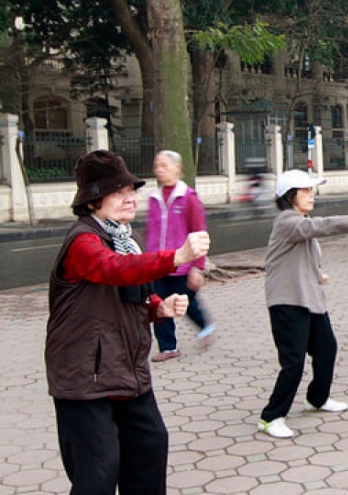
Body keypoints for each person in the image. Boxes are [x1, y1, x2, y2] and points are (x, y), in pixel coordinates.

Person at [46, 150, 210, 495]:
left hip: (126, 371)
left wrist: (159, 308)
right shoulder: (83, 241)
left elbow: (134, 294)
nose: (130, 198)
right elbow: (113, 270)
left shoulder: (126, 240)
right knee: (99, 472)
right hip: (85, 378)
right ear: (92, 201)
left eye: (131, 191)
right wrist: (177, 257)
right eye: (117, 192)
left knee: (150, 446)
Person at [259, 170, 348, 439]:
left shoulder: (300, 221)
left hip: (309, 298)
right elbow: (319, 226)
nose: (311, 195)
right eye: (305, 191)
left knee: (326, 348)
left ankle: (317, 399)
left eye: (311, 190)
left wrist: (318, 274)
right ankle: (271, 417)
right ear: (289, 196)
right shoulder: (287, 221)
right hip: (287, 301)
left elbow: (302, 256)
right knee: (293, 362)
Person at [146, 150, 215, 362]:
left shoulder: (188, 198)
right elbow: (151, 232)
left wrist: (197, 266)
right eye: (157, 166)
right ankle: (168, 347)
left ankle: (205, 326)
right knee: (159, 304)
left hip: (182, 264)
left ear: (177, 168)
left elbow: (199, 232)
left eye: (164, 165)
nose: (159, 170)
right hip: (158, 263)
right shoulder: (154, 198)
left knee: (187, 303)